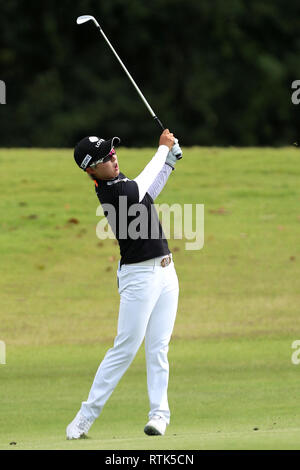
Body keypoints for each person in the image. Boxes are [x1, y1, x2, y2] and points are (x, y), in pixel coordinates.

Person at [66, 129, 182, 439]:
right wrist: (162, 150)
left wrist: (169, 162)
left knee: (158, 348)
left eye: (112, 151)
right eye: (104, 157)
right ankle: (83, 419)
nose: (113, 157)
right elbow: (140, 186)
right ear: (91, 169)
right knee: (125, 349)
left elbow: (147, 193)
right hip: (139, 278)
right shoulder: (111, 191)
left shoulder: (121, 182)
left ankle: (159, 416)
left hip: (166, 271)